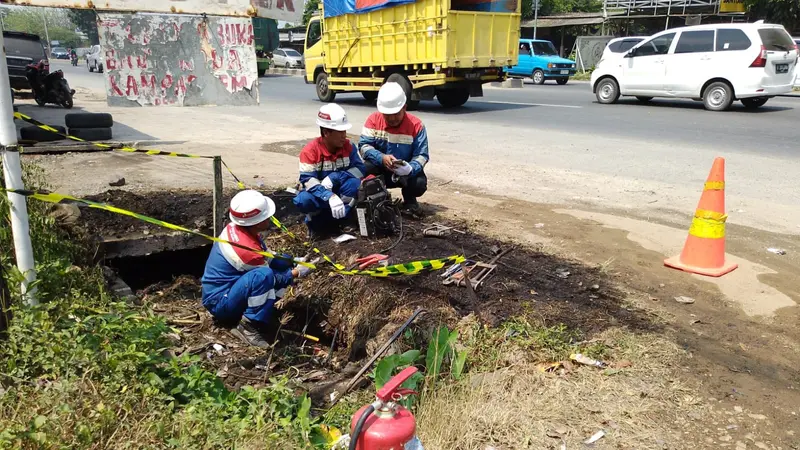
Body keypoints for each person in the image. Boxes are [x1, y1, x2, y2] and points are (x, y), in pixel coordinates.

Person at [201, 190, 312, 348]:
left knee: (268, 275)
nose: (269, 218)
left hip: (226, 291)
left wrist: (292, 261)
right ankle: (248, 327)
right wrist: (296, 273)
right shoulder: (246, 252)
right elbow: (271, 278)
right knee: (264, 277)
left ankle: (260, 313)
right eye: (266, 216)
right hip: (220, 303)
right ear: (257, 222)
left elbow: (266, 256)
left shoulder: (237, 228)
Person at [293, 103, 366, 237]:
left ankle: (344, 218)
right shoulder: (310, 151)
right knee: (303, 199)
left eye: (344, 131)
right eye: (340, 132)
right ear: (326, 132)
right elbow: (308, 181)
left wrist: (336, 177)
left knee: (355, 184)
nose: (344, 136)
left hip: (341, 192)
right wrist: (329, 196)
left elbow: (361, 170)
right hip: (320, 195)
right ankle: (316, 223)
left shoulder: (349, 147)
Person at [358, 82, 429, 216]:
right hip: (381, 169)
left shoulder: (417, 125)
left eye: (396, 114)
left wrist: (410, 168)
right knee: (363, 169)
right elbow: (363, 146)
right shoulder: (373, 120)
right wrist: (381, 158)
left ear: (404, 108)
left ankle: (410, 200)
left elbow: (422, 155)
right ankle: (378, 198)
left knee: (419, 183)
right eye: (387, 114)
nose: (391, 119)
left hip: (405, 173)